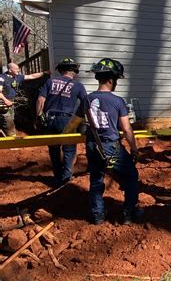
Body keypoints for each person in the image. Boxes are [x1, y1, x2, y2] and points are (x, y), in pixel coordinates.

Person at [85, 58, 141, 225]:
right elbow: (126, 128)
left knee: (96, 179)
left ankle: (98, 216)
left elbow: (78, 122)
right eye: (116, 79)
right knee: (131, 176)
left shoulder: (87, 99)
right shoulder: (117, 101)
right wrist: (134, 148)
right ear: (111, 80)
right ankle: (129, 214)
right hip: (111, 147)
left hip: (92, 145)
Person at [36, 57, 88, 187]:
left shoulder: (50, 81)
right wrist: (82, 120)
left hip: (50, 119)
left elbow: (40, 100)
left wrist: (39, 116)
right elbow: (86, 104)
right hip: (67, 120)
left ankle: (57, 177)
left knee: (53, 149)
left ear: (61, 70)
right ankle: (65, 180)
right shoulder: (78, 86)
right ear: (74, 71)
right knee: (69, 150)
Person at [0, 62, 49, 136]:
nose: (18, 70)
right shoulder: (2, 77)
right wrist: (6, 101)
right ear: (10, 70)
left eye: (18, 69)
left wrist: (44, 73)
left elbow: (31, 76)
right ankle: (12, 141)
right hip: (3, 102)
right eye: (16, 69)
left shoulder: (18, 77)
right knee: (8, 121)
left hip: (10, 102)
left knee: (9, 119)